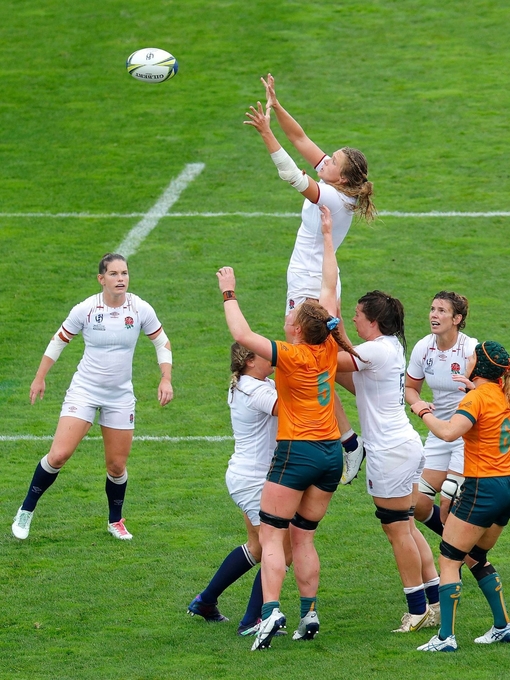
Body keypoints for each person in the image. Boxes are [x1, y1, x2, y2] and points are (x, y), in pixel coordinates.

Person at [217, 206, 360, 651]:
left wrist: (228, 293)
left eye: (293, 313)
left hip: (295, 453)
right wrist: (327, 238)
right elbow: (327, 288)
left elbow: (241, 335)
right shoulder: (326, 349)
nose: (289, 313)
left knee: (273, 535)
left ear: (298, 329)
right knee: (306, 537)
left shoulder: (292, 354)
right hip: (330, 456)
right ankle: (310, 612)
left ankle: (270, 611)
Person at [244, 73, 376, 484]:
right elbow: (301, 140)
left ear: (342, 177)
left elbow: (292, 175)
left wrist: (266, 133)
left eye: (332, 161)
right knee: (325, 364)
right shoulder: (342, 186)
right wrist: (277, 106)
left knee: (313, 365)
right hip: (315, 281)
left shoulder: (333, 197)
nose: (326, 161)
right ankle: (377, 403)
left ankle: (351, 441)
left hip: (310, 287)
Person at [12, 253, 173, 541]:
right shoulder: (86, 309)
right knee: (59, 455)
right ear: (102, 279)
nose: (121, 279)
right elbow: (59, 340)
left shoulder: (140, 309)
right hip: (84, 390)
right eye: (114, 274)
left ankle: (115, 521)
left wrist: (166, 377)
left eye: (124, 273)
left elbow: (161, 342)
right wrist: (40, 377)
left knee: (116, 466)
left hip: (120, 395)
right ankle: (26, 509)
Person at [335, 291, 440, 632]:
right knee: (407, 527)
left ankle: (417, 609)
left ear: (373, 321)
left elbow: (329, 360)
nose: (353, 320)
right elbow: (352, 373)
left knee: (397, 531)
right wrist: (336, 328)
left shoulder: (375, 350)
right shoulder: (389, 345)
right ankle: (434, 603)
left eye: (357, 315)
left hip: (389, 453)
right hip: (404, 446)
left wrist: (323, 325)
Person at [412, 341, 510, 652]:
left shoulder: (478, 398)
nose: (466, 359)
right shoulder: (501, 394)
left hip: (482, 487)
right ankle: (502, 626)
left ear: (478, 367)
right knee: (475, 556)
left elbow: (449, 432)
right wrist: (474, 389)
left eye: (471, 357)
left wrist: (423, 410)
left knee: (450, 558)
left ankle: (445, 638)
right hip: (506, 488)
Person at [188, 342, 291, 635]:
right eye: (264, 353)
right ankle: (252, 621)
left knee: (259, 548)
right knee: (284, 548)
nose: (272, 355)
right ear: (248, 362)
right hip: (255, 482)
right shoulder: (255, 390)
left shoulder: (255, 383)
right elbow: (290, 409)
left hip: (251, 477)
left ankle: (205, 601)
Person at [406, 292, 477, 532]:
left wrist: (472, 387)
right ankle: (469, 554)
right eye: (433, 309)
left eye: (442, 311)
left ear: (456, 318)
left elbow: (492, 394)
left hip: (465, 435)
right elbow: (409, 388)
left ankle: (462, 564)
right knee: (419, 505)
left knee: (448, 502)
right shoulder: (424, 347)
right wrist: (418, 404)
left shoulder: (470, 349)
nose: (434, 315)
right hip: (438, 433)